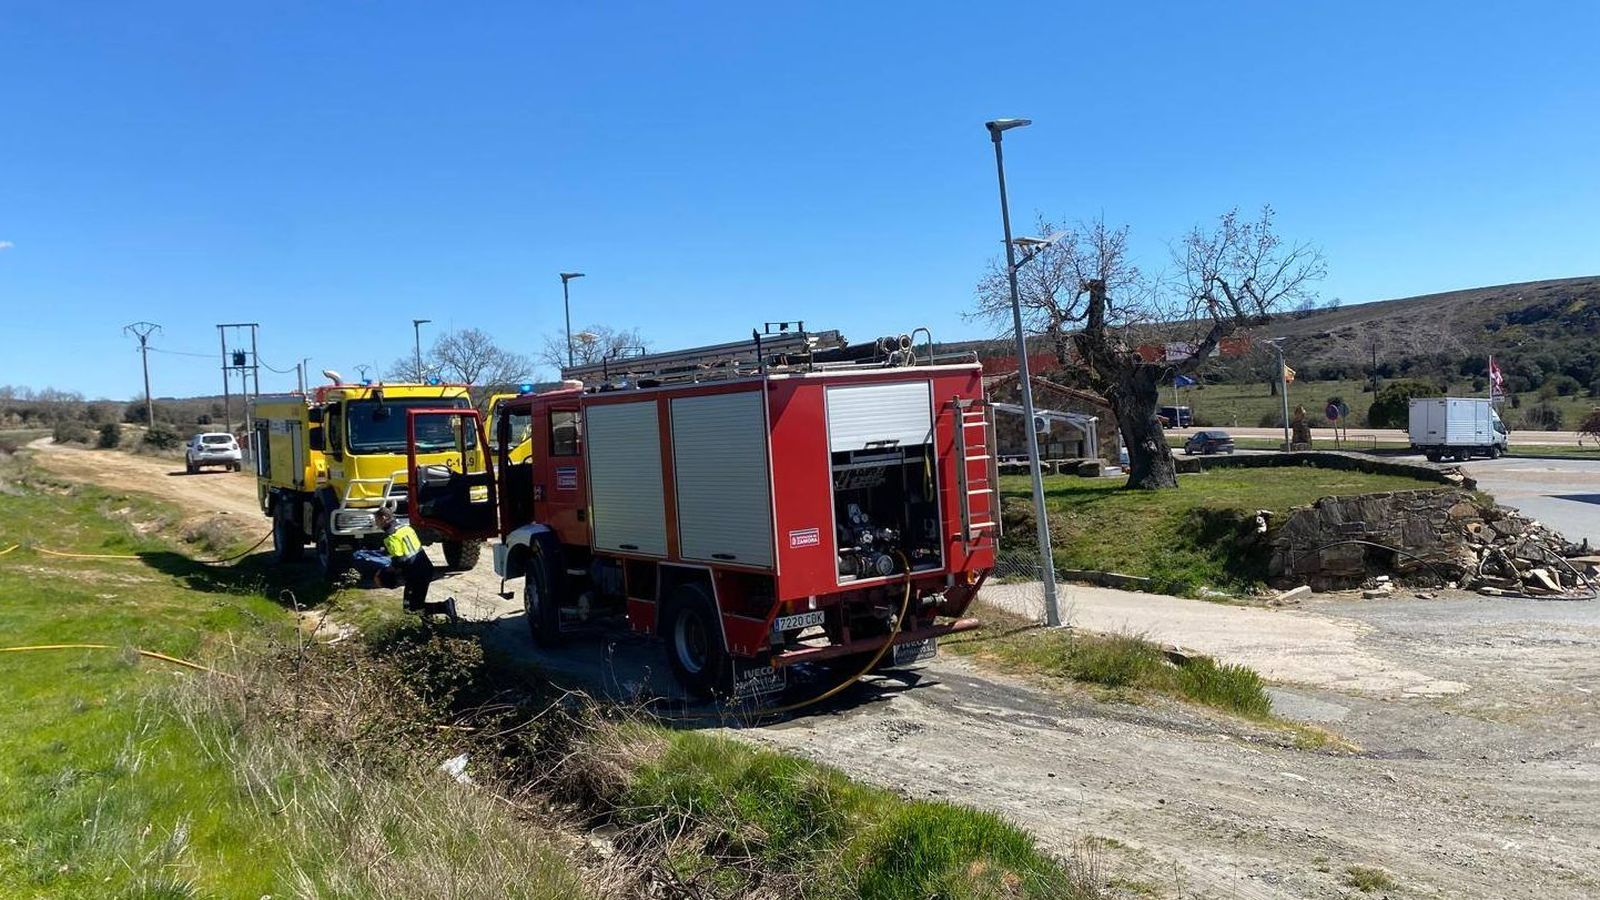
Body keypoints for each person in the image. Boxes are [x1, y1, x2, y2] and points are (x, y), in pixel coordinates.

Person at [357, 508, 455, 619]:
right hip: (425, 569)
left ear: (384, 518)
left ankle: (445, 607)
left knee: (410, 608)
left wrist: (383, 572)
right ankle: (430, 626)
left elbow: (399, 560)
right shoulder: (405, 528)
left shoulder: (391, 536)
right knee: (416, 605)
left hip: (415, 574)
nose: (376, 523)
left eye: (377, 520)